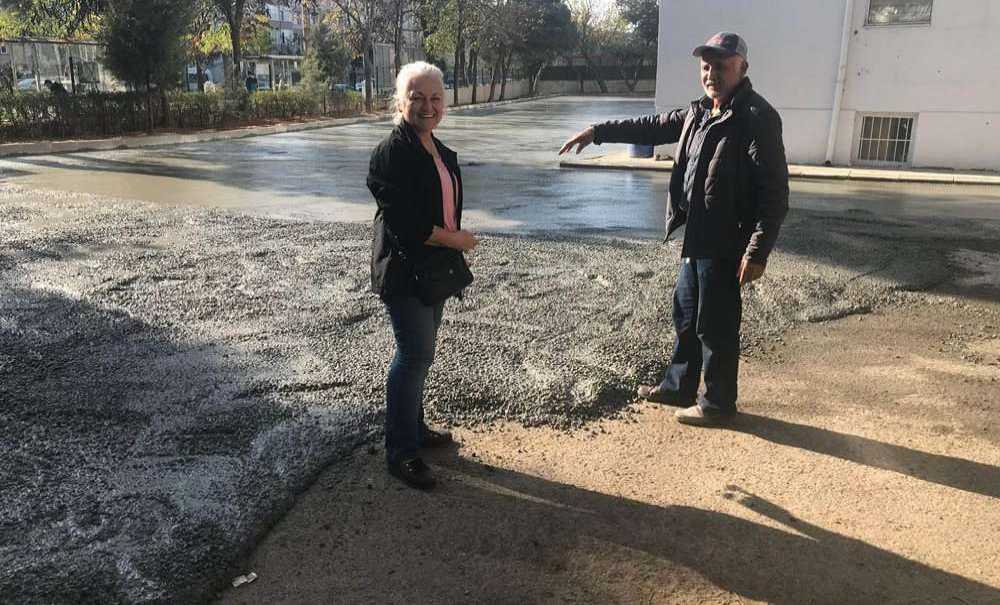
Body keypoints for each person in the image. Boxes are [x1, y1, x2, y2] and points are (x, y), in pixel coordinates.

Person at [559, 32, 789, 427]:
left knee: (715, 324)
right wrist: (597, 132)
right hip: (697, 233)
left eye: (722, 65)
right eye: (706, 65)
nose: (712, 72)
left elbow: (775, 192)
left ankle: (717, 403)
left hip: (727, 240)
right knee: (685, 315)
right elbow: (649, 127)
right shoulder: (700, 112)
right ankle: (679, 386)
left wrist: (757, 251)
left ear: (742, 68)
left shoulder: (756, 117)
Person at [367, 61, 479, 489]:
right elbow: (407, 225)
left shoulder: (439, 149)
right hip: (404, 271)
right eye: (416, 97)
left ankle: (414, 430)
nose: (427, 106)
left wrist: (452, 244)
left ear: (444, 102)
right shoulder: (390, 154)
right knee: (413, 355)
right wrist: (458, 241)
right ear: (399, 101)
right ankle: (401, 452)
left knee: (422, 354)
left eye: (435, 98)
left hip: (433, 270)